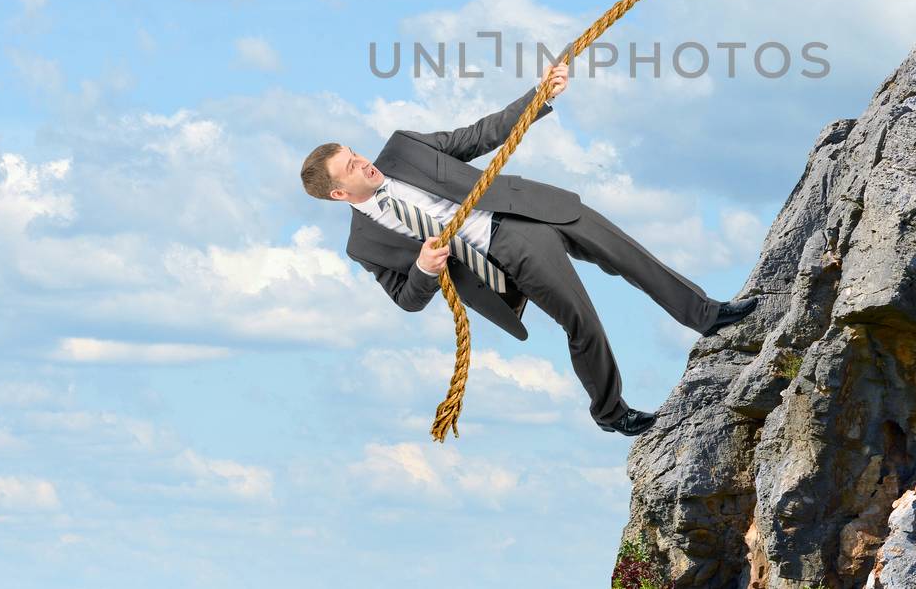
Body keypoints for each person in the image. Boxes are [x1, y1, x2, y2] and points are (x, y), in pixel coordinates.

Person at [298, 61, 756, 436]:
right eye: (352, 167)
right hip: (508, 249)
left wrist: (539, 96)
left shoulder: (402, 147)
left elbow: (476, 136)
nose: (365, 163)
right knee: (582, 320)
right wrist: (422, 268)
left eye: (356, 153)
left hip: (526, 204)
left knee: (627, 254)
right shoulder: (363, 245)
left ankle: (706, 315)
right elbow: (406, 299)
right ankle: (611, 411)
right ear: (339, 194)